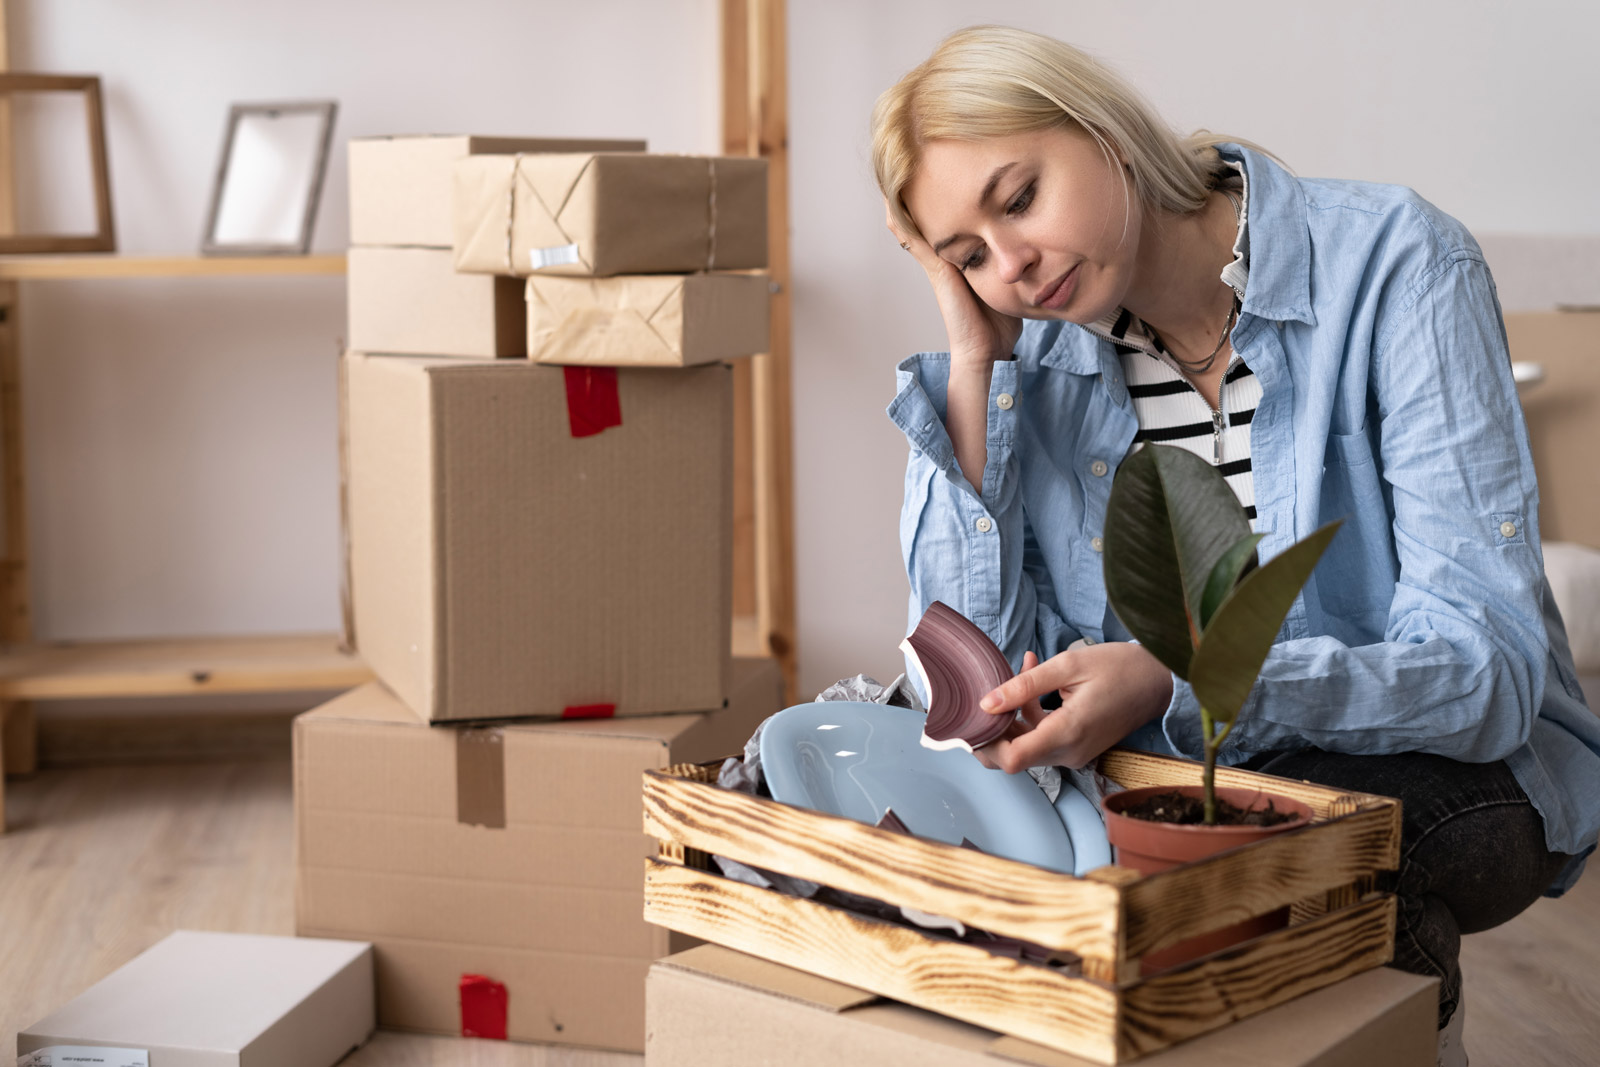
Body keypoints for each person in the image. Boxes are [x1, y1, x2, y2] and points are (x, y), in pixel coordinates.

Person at [873, 24, 1599, 1064]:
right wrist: (974, 362)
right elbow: (972, 691)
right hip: (1183, 789)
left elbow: (1485, 676)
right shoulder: (1036, 363)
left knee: (1310, 866)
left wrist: (1180, 682)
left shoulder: (1396, 264)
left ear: (1102, 130)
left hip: (1451, 766)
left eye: (1018, 198)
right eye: (967, 257)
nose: (1012, 267)